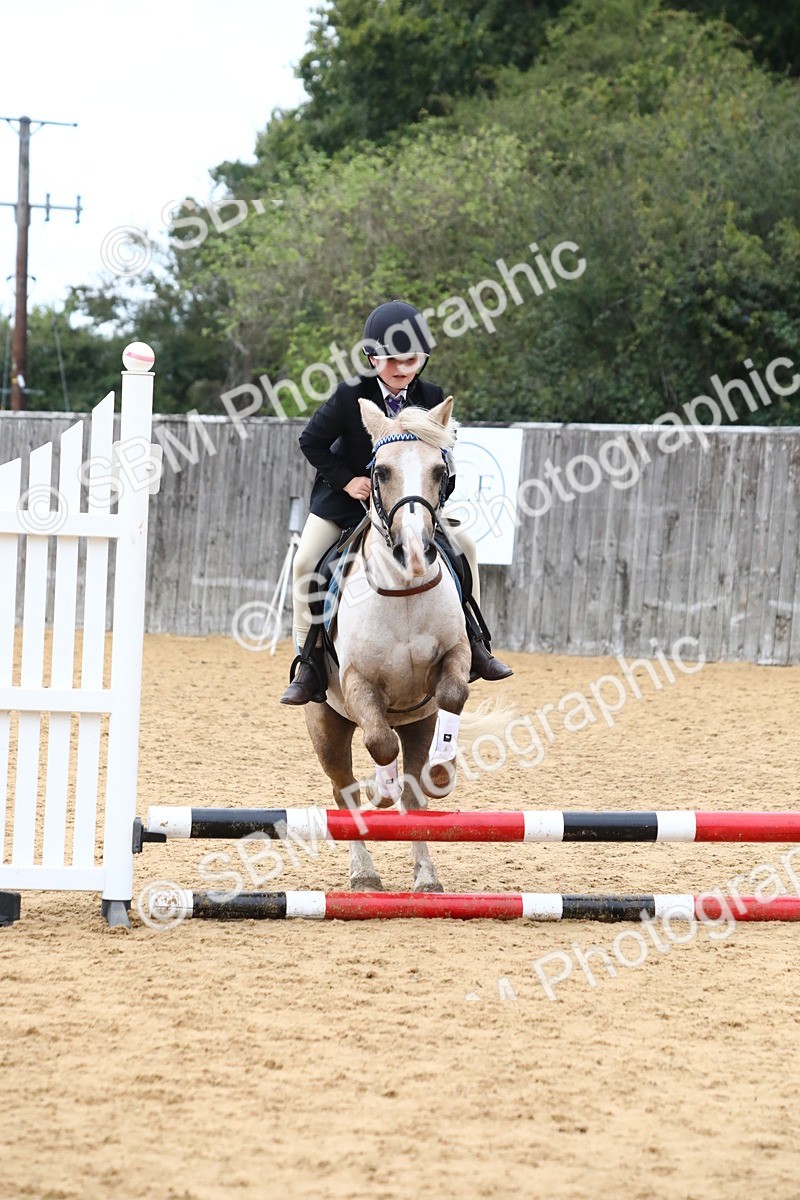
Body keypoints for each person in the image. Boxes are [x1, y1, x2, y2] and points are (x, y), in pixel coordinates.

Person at [279, 300, 513, 705]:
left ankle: (475, 641)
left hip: (411, 505)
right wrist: (347, 481)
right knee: (305, 563)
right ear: (373, 359)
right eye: (391, 360)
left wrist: (434, 498)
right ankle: (309, 662)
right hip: (348, 501)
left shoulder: (431, 396)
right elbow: (310, 441)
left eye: (411, 359)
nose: (402, 368)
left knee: (468, 547)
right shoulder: (349, 395)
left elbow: (445, 459)